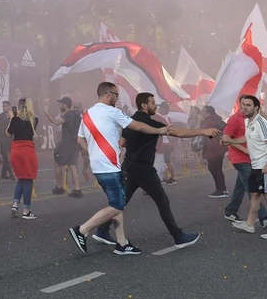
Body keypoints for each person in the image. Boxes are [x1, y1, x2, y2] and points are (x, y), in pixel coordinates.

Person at [68, 82, 172, 256]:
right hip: (110, 166)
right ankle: (82, 230)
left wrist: (93, 154)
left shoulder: (87, 115)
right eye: (116, 94)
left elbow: (79, 140)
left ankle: (122, 243)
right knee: (118, 204)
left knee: (116, 202)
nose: (117, 98)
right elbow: (137, 125)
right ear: (108, 94)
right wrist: (159, 130)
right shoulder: (112, 112)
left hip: (98, 166)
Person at [118, 92, 218, 249]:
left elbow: (122, 142)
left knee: (120, 202)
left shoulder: (130, 122)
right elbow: (178, 133)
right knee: (162, 201)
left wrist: (136, 144)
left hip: (129, 167)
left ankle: (102, 230)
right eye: (152, 103)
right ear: (144, 105)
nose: (155, 106)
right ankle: (178, 236)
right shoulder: (150, 123)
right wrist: (203, 131)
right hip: (143, 168)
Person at [226, 95, 267, 240]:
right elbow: (247, 138)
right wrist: (231, 141)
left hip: (265, 166)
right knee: (255, 195)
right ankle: (250, 224)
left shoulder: (261, 122)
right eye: (243, 105)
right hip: (256, 165)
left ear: (256, 108)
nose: (244, 108)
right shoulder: (249, 122)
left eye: (248, 105)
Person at [221, 105, 267, 227]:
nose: (248, 107)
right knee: (252, 188)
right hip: (240, 159)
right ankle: (263, 217)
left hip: (252, 158)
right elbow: (226, 139)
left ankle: (230, 210)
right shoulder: (235, 119)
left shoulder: (254, 119)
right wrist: (244, 150)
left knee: (241, 186)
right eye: (245, 104)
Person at [43, 96, 83, 197]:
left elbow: (56, 122)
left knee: (57, 163)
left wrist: (46, 112)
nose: (59, 106)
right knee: (73, 166)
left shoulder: (69, 114)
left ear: (65, 105)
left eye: (61, 104)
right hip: (75, 144)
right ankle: (77, 189)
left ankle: (60, 187)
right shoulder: (76, 115)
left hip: (66, 144)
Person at [7, 97, 39, 219]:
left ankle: (15, 204)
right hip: (28, 151)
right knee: (28, 179)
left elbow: (8, 133)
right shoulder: (34, 120)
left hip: (16, 151)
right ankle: (26, 210)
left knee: (21, 178)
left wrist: (11, 118)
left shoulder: (15, 120)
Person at [200, 106, 228, 197]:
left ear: (208, 112)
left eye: (203, 112)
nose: (202, 114)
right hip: (219, 148)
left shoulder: (208, 122)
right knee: (216, 169)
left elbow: (204, 135)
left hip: (213, 149)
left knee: (215, 169)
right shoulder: (218, 120)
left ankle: (221, 190)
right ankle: (221, 189)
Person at [0, 100, 13, 180]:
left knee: (11, 157)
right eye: (3, 106)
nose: (4, 108)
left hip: (11, 139)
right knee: (5, 156)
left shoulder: (13, 116)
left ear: (9, 106)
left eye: (5, 106)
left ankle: (3, 174)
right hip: (3, 139)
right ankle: (12, 174)